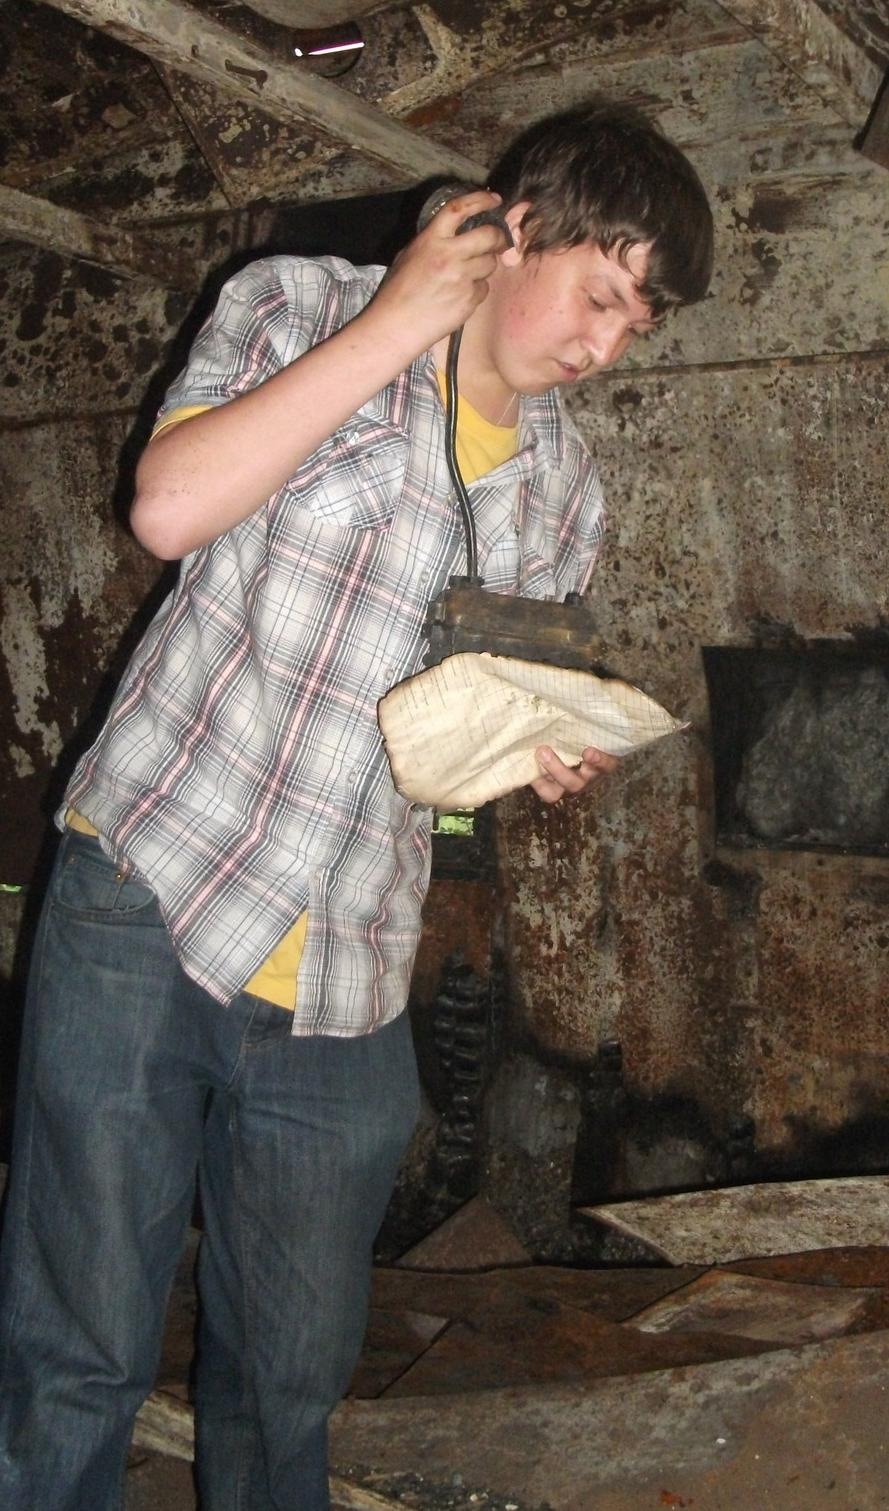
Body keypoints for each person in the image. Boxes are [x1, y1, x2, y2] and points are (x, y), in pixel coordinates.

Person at [0, 101, 713, 1510]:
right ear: (518, 229)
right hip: (153, 889)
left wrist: (538, 750)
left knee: (290, 1379)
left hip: (349, 961)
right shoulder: (300, 307)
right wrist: (397, 323)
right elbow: (168, 508)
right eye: (601, 294)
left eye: (639, 322)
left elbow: (467, 715)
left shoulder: (566, 487)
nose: (606, 345)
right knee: (77, 1349)